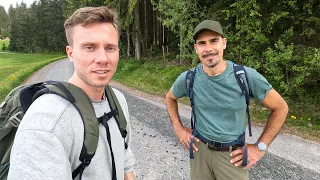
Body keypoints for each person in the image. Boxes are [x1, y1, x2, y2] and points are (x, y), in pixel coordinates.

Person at [7, 7, 135, 180]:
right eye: (90, 47)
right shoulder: (47, 123)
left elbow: (125, 160)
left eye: (110, 48)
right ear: (71, 53)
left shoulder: (118, 100)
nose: (103, 58)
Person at [165, 20, 288, 180]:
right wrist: (179, 129)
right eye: (202, 43)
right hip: (199, 152)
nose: (208, 48)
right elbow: (169, 98)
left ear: (224, 43)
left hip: (232, 156)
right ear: (196, 49)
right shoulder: (190, 78)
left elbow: (280, 107)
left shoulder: (245, 76)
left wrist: (259, 148)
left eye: (214, 41)